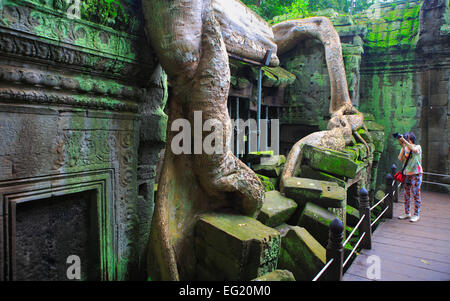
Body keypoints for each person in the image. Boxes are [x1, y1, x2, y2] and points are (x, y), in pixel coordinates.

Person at [397, 132, 423, 222]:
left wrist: (404, 141)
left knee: (416, 194)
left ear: (410, 139)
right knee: (406, 194)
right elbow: (400, 158)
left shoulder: (417, 147)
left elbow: (414, 149)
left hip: (416, 174)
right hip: (407, 174)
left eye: (405, 138)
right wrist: (403, 147)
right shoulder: (405, 148)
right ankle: (407, 213)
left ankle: (416, 214)